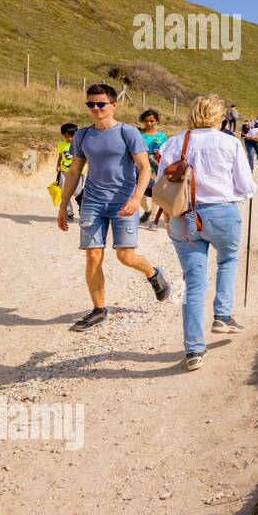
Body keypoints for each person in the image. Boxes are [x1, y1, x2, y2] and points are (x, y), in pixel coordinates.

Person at [56, 84, 171, 331]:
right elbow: (74, 171)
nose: (95, 108)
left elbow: (144, 168)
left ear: (113, 105)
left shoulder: (127, 132)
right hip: (93, 202)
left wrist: (135, 198)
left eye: (100, 104)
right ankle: (99, 310)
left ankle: (153, 274)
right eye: (91, 104)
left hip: (123, 202)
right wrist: (63, 205)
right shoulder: (83, 136)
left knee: (125, 257)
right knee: (93, 255)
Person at [155, 94, 257, 371]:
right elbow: (246, 186)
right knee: (227, 259)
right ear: (221, 116)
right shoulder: (229, 142)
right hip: (221, 213)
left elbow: (162, 185)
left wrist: (167, 217)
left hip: (183, 216)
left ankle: (193, 350)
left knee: (193, 283)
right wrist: (240, 191)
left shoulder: (174, 142)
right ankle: (223, 315)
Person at [138, 109, 168, 230]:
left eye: (152, 121)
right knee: (139, 191)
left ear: (157, 121)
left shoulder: (162, 136)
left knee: (155, 193)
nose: (149, 123)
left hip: (156, 166)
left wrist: (159, 151)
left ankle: (153, 220)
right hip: (139, 166)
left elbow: (166, 151)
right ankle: (147, 210)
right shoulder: (138, 134)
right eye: (146, 121)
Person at [54, 122, 80, 221]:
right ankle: (69, 213)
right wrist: (58, 165)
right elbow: (60, 156)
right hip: (64, 171)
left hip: (77, 172)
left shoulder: (79, 145)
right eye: (67, 136)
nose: (70, 139)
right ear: (63, 135)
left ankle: (83, 207)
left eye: (72, 136)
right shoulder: (61, 144)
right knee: (64, 192)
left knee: (77, 192)